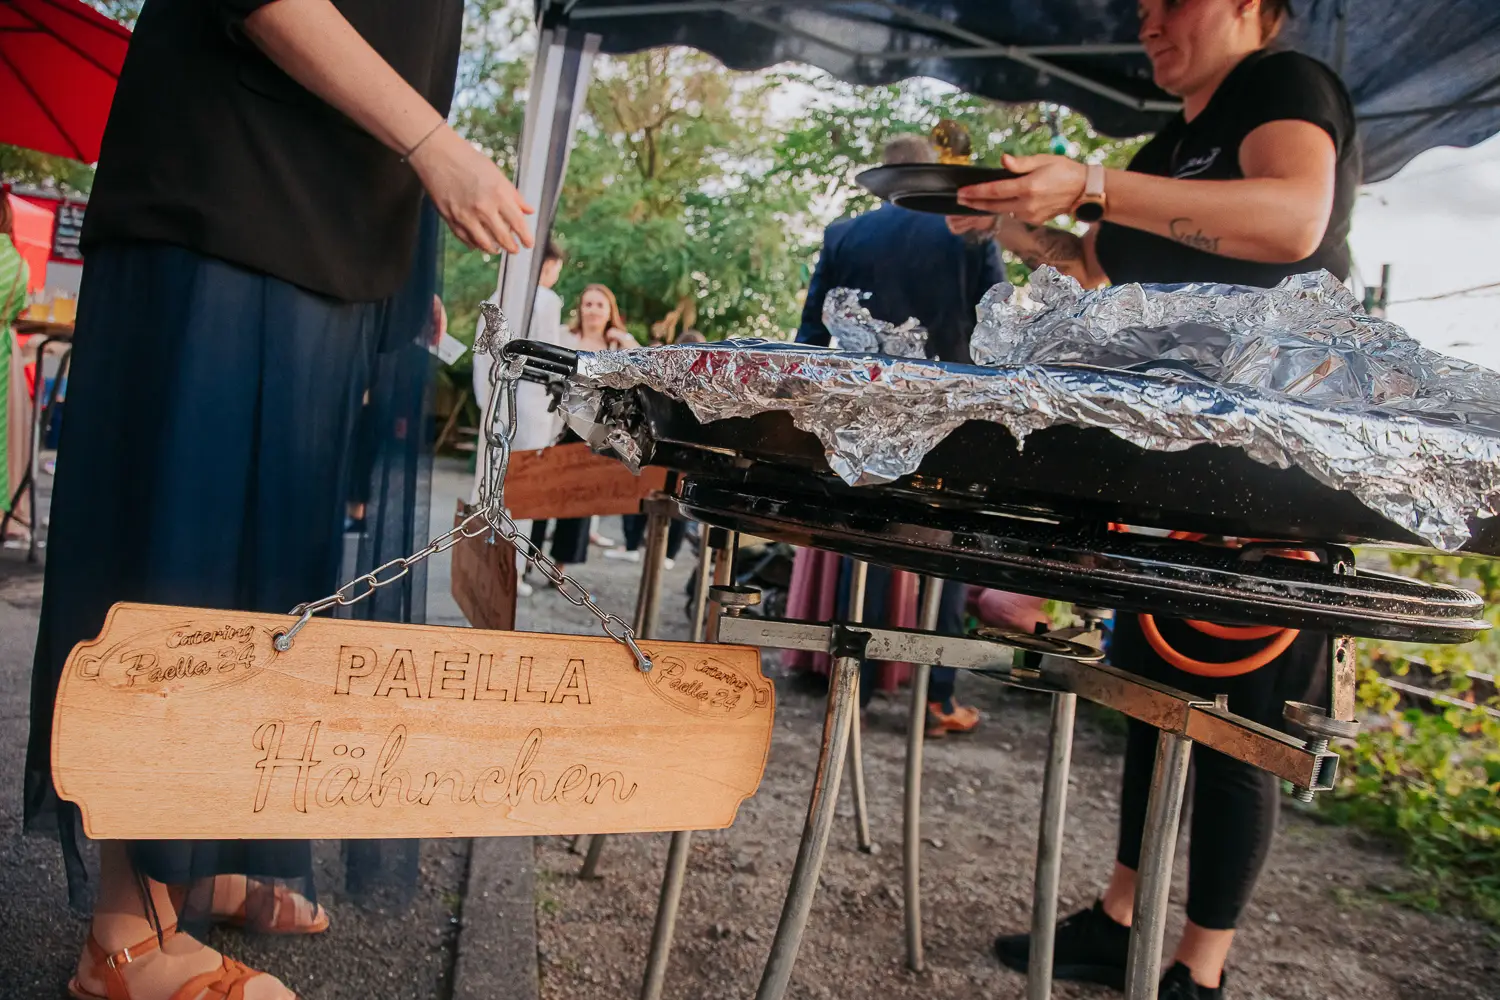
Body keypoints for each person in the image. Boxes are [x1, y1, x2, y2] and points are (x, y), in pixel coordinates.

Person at [22, 2, 533, 998]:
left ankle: (195, 855)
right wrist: (436, 145)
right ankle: (125, 936)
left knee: (269, 568)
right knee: (176, 562)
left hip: (332, 220)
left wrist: (395, 237)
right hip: (228, 187)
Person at [957, 1, 1358, 996]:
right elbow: (1100, 277)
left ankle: (1200, 970)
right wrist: (1018, 227)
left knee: (1235, 722)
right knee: (1149, 692)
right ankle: (1120, 915)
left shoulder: (1284, 86)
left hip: (1268, 475)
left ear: (1251, 8)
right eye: (1143, 5)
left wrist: (1092, 181)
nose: (1149, 16)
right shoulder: (1167, 144)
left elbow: (1293, 217)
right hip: (1172, 463)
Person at [794, 133, 1006, 735]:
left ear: (880, 178)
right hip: (948, 410)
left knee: (865, 544)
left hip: (863, 409)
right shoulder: (965, 232)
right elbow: (994, 319)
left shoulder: (844, 234)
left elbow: (810, 332)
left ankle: (850, 683)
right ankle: (936, 698)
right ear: (933, 175)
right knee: (945, 549)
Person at [475, 239, 569, 597]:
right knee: (521, 491)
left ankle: (481, 560)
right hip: (527, 408)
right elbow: (551, 360)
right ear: (548, 267)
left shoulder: (496, 297)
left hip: (495, 403)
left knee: (488, 483)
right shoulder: (545, 300)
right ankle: (510, 569)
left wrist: (487, 400)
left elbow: (479, 357)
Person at [540, 283, 635, 575]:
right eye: (588, 304)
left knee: (577, 502)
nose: (592, 310)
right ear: (580, 308)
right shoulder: (562, 336)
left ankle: (560, 567)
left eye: (600, 305)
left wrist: (626, 339)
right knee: (541, 494)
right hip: (557, 424)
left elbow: (640, 372)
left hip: (593, 431)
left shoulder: (616, 346)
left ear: (610, 312)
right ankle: (529, 560)